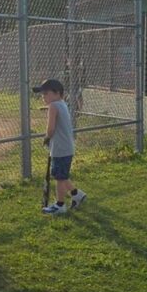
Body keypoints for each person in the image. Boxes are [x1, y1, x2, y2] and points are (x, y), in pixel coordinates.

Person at [34, 79, 87, 215]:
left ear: (57, 93)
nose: (43, 97)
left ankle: (60, 205)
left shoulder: (53, 106)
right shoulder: (62, 104)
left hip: (60, 149)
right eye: (42, 94)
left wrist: (46, 138)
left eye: (46, 93)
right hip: (66, 147)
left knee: (59, 178)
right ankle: (77, 195)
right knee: (62, 176)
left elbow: (50, 129)